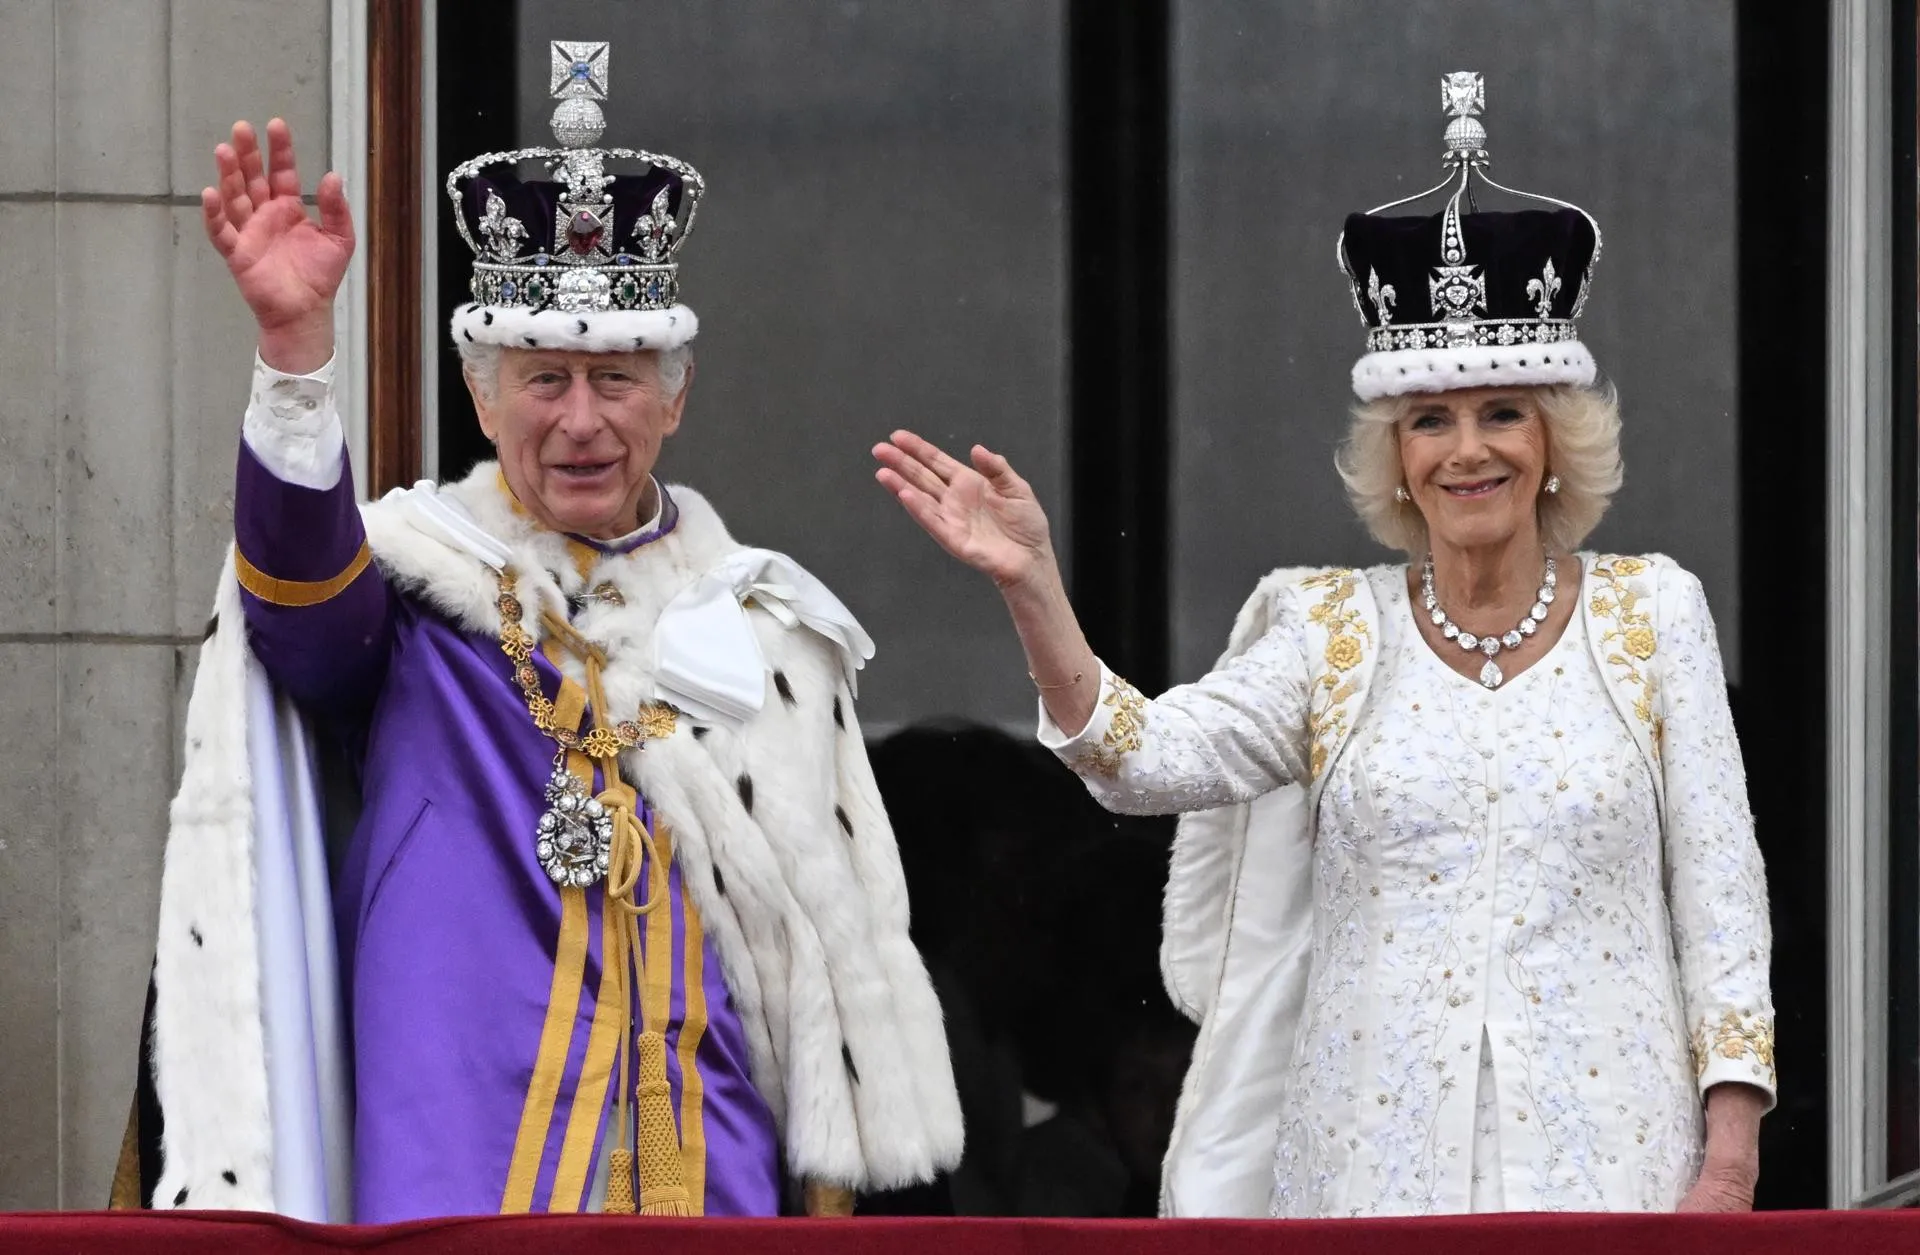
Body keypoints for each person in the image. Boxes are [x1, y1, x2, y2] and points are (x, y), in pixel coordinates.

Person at [874, 71, 1773, 1218]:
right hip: (1367, 1178)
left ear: (1555, 440)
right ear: (1396, 456)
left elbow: (1722, 899)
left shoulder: (1653, 615)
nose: (1468, 451)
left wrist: (1729, 1158)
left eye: (1503, 412)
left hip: (1612, 1169)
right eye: (1431, 421)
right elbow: (1141, 759)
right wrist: (1034, 584)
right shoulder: (1328, 631)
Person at [123, 38, 960, 1223]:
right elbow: (300, 606)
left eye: (616, 379)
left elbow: (819, 972)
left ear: (676, 397)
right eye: (542, 378)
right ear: (481, 393)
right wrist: (296, 359)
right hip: (461, 1159)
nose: (580, 421)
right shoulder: (420, 592)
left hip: (698, 1158)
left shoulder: (769, 629)